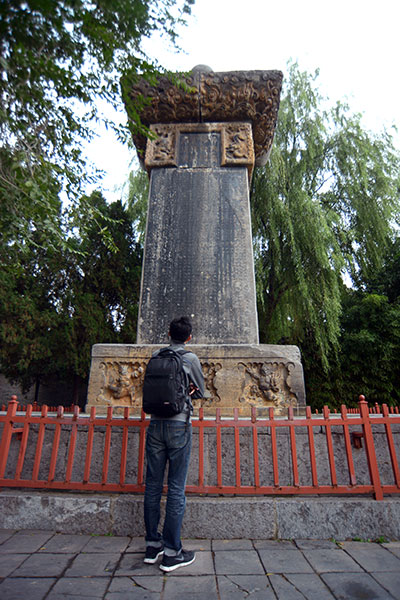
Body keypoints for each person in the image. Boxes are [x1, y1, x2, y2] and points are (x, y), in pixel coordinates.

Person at [143, 316, 204, 572]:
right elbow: (200, 391)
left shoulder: (156, 356)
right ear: (189, 337)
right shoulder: (190, 358)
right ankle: (172, 552)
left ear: (168, 333)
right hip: (179, 425)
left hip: (155, 424)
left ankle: (151, 545)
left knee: (153, 486)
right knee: (176, 488)